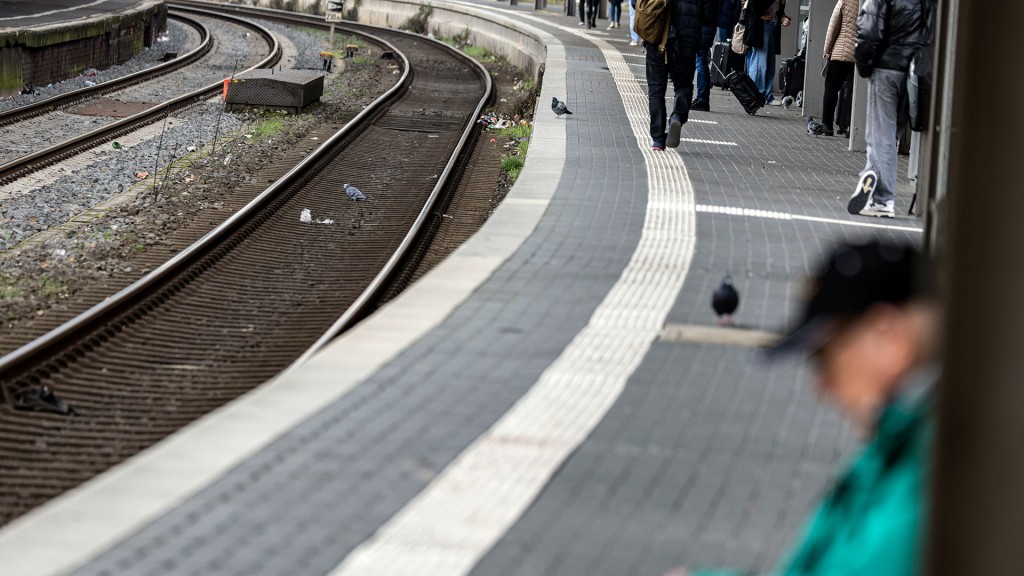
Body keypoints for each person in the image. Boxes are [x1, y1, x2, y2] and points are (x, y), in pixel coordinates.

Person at [666, 238, 939, 576]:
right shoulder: (901, 449)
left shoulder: (925, 476)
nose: (821, 386)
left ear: (888, 336)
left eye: (824, 359)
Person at [847, 0, 932, 218]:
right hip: (915, 72)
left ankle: (882, 199)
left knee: (879, 134)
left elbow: (869, 30)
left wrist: (864, 66)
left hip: (887, 68)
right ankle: (871, 175)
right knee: (891, 134)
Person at [645, 0, 718, 150]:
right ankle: (677, 116)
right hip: (687, 38)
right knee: (683, 85)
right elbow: (709, 13)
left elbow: (637, 4)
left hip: (656, 35)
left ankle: (658, 139)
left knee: (656, 90)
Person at [808, 0, 861, 137]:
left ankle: (827, 125)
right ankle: (850, 126)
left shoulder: (845, 1)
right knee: (853, 92)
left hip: (841, 53)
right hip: (861, 54)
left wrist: (827, 50)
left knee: (831, 87)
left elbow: (833, 27)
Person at [692, 0, 740, 112]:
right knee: (701, 61)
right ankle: (701, 98)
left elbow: (705, 13)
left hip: (704, 29)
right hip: (708, 28)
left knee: (701, 62)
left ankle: (702, 99)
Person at [741, 0, 791, 105]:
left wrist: (783, 18)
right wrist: (761, 15)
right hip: (761, 28)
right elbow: (754, 6)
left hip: (772, 26)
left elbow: (778, 12)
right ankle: (757, 95)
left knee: (769, 64)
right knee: (760, 62)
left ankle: (767, 96)